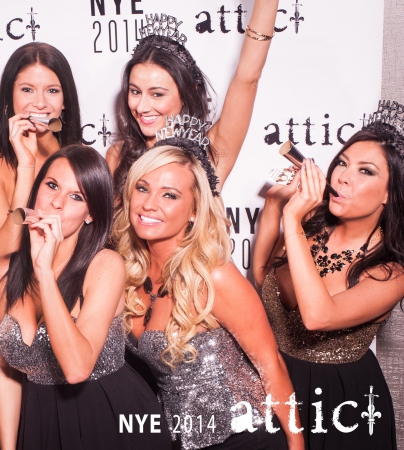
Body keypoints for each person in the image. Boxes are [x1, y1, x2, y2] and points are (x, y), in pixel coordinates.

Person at [114, 141, 304, 449]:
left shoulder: (212, 276)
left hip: (245, 438)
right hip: (177, 438)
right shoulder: (126, 273)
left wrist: (297, 444)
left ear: (194, 211)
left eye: (169, 195)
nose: (149, 204)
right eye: (143, 188)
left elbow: (271, 365)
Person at [0, 145, 170, 450]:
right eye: (51, 185)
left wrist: (44, 271)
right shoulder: (2, 272)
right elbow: (5, 371)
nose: (57, 202)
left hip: (109, 420)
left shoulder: (105, 265)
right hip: (41, 422)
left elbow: (77, 368)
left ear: (91, 214)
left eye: (77, 197)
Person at [252, 100, 404, 449]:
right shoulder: (314, 225)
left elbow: (319, 317)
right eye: (342, 163)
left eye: (366, 171)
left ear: (389, 194)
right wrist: (276, 206)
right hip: (277, 385)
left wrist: (291, 221)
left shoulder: (392, 271)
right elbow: (263, 282)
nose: (343, 177)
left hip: (341, 403)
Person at [107, 0, 279, 200]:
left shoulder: (209, 151)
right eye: (135, 92)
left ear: (187, 94)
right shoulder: (118, 154)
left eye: (157, 94)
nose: (142, 107)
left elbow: (247, 79)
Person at [0, 42, 83, 258]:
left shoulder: (82, 159)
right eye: (27, 90)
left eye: (52, 91)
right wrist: (26, 166)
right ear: (9, 98)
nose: (39, 103)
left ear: (64, 101)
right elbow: (6, 250)